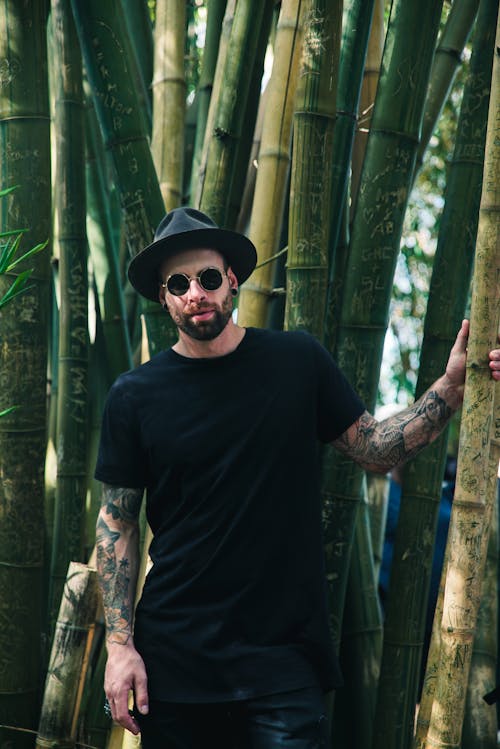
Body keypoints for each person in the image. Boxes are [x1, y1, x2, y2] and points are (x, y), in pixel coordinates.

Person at [94, 207, 500, 748]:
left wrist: (449, 390)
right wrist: (120, 648)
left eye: (209, 278)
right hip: (177, 661)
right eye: (179, 283)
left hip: (284, 662)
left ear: (232, 281)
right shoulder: (133, 396)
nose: (196, 293)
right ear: (164, 297)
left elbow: (376, 449)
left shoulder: (296, 361)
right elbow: (116, 524)